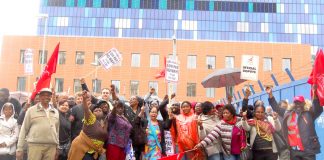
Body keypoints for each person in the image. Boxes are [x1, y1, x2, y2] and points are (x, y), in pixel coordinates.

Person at [267, 86, 323, 160]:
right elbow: (276, 108)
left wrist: (315, 93)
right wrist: (270, 95)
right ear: (293, 104)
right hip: (294, 151)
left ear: (304, 103)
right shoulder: (287, 114)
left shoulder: (309, 113)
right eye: (296, 103)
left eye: (300, 103)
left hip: (308, 151)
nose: (298, 105)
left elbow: (318, 108)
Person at [16, 88, 59, 160]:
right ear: (39, 97)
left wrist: (57, 147)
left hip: (51, 147)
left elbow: (57, 131)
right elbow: (24, 129)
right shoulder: (31, 110)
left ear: (51, 97)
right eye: (43, 95)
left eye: (48, 95)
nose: (46, 97)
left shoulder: (55, 112)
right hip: (35, 146)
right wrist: (19, 148)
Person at [68, 91, 107, 160]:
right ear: (92, 113)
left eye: (100, 110)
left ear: (103, 114)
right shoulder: (91, 119)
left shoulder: (104, 123)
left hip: (94, 151)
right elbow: (86, 110)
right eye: (95, 110)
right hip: (83, 150)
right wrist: (84, 99)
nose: (98, 109)